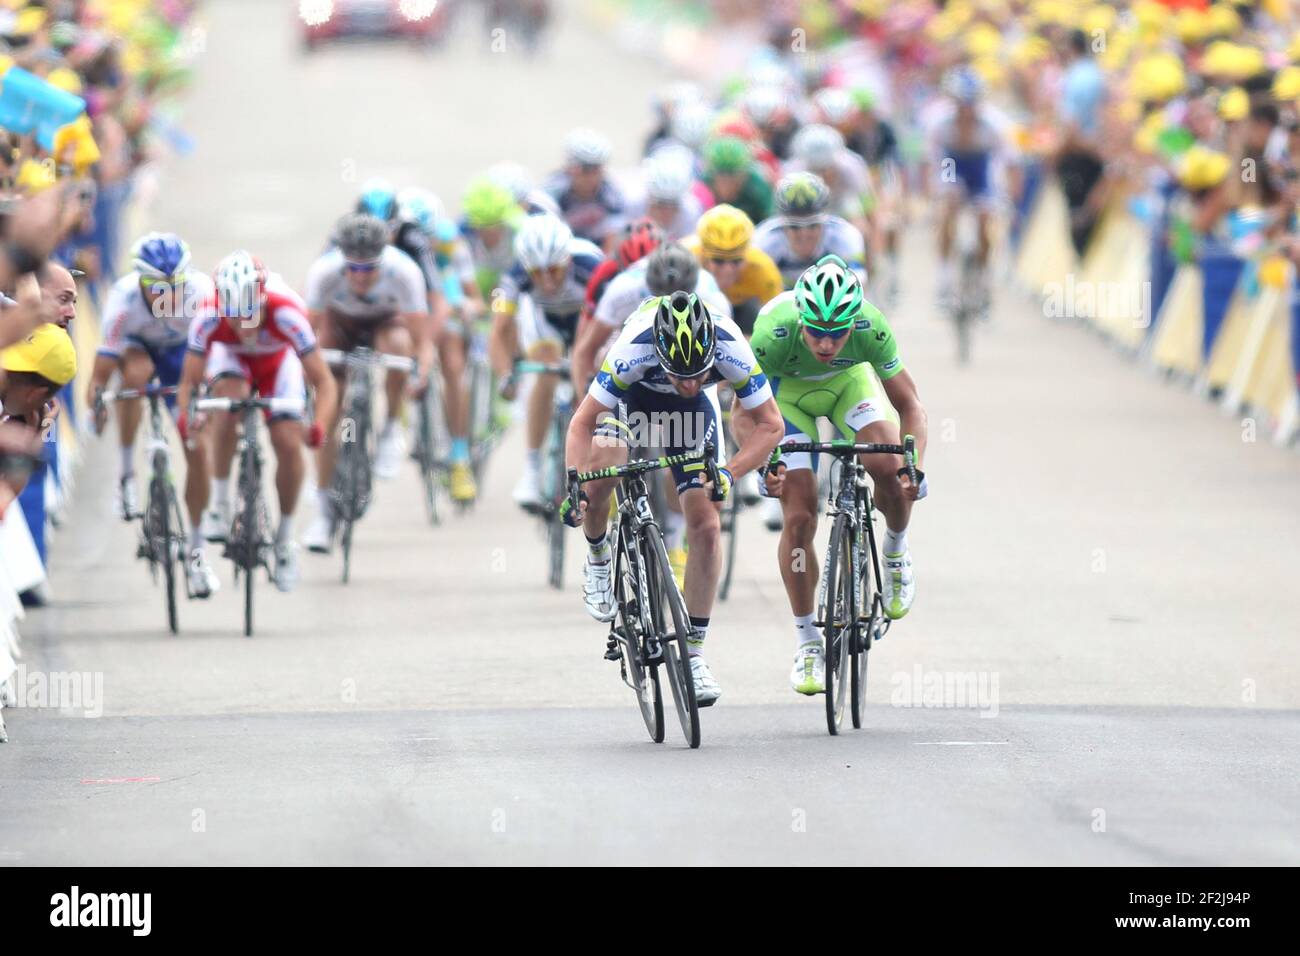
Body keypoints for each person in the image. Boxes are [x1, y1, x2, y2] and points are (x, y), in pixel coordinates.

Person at [562, 291, 784, 705]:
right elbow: (581, 423)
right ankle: (597, 556)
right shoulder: (635, 346)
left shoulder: (731, 344)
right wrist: (575, 482)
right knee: (605, 462)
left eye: (699, 373)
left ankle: (695, 657)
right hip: (632, 401)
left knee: (705, 524)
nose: (689, 382)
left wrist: (729, 473)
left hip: (692, 414)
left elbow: (770, 426)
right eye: (680, 374)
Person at [746, 255, 927, 695]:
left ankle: (896, 550)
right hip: (786, 404)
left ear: (853, 324)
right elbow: (743, 410)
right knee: (799, 516)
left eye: (837, 333)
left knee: (888, 465)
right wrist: (764, 462)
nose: (826, 344)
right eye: (816, 333)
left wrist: (914, 465)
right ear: (801, 320)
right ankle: (808, 640)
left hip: (849, 387)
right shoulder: (773, 330)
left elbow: (910, 407)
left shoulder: (870, 326)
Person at [177, 251, 336, 592]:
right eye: (233, 318)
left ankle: (284, 539)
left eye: (249, 315)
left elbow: (324, 381)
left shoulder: (289, 313)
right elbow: (189, 384)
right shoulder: (207, 316)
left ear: (262, 300)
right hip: (231, 361)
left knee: (287, 442)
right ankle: (219, 505)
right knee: (227, 404)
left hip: (279, 364)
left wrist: (319, 425)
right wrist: (188, 417)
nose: (242, 326)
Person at [84, 234, 216, 594]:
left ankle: (197, 551)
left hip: (183, 359)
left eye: (176, 286)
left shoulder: (202, 294)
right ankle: (126, 473)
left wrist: (207, 400)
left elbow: (216, 358)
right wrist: (97, 401)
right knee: (134, 377)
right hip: (138, 352)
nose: (169, 296)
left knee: (198, 450)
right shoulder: (124, 298)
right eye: (158, 289)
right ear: (142, 282)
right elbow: (102, 366)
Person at [302, 213, 433, 551]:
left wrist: (420, 373)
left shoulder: (405, 272)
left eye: (369, 269)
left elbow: (422, 340)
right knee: (329, 405)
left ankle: (390, 426)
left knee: (399, 348)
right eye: (353, 269)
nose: (360, 277)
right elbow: (304, 336)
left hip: (385, 325)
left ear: (383, 258)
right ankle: (322, 509)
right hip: (339, 326)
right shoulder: (324, 272)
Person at [489, 214, 604, 510]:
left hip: (587, 322)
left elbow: (611, 324)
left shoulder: (591, 267)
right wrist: (505, 376)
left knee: (591, 373)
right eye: (537, 274)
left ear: (566, 260)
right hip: (546, 323)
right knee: (546, 368)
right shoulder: (514, 276)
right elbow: (498, 328)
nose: (547, 280)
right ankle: (532, 468)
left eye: (554, 270)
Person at [682, 204, 783, 335]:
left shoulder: (762, 268)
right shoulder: (687, 259)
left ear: (747, 255)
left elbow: (778, 320)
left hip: (742, 308)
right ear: (703, 255)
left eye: (736, 261)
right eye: (718, 260)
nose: (728, 270)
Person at [755, 172, 867, 287]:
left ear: (824, 220)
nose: (804, 234)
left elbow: (858, 287)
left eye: (813, 225)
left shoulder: (845, 236)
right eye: (795, 226)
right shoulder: (763, 241)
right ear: (781, 224)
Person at [544, 128, 628, 249]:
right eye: (585, 169)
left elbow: (612, 242)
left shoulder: (612, 196)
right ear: (569, 168)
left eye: (597, 169)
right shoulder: (552, 192)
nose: (592, 177)